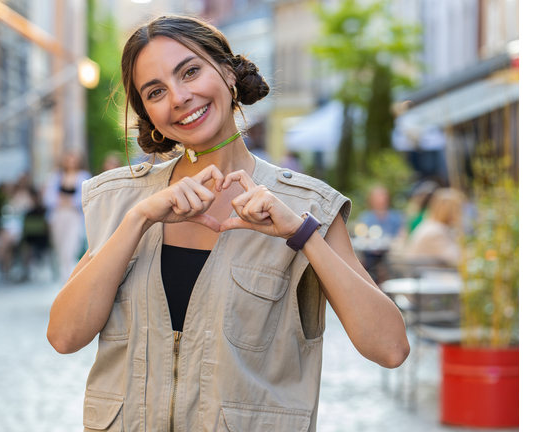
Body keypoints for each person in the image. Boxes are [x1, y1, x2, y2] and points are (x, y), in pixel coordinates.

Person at [46, 15, 408, 431]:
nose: (179, 97)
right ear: (147, 112)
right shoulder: (119, 201)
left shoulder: (308, 207)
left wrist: (302, 235)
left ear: (228, 72)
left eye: (191, 71)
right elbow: (64, 336)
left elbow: (390, 348)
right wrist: (138, 220)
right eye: (156, 91)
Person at [42, 151, 92, 280]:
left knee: (71, 246)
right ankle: (64, 276)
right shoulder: (56, 176)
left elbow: (84, 197)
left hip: (74, 216)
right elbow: (48, 198)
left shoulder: (83, 176)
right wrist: (64, 201)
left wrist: (65, 200)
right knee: (60, 246)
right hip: (58, 216)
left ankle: (68, 277)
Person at [402, 187, 465, 267]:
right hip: (423, 275)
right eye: (458, 209)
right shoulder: (435, 231)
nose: (461, 213)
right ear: (449, 211)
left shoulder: (433, 226)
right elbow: (456, 259)